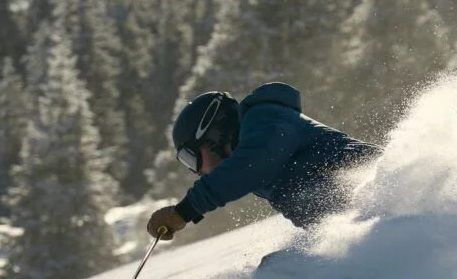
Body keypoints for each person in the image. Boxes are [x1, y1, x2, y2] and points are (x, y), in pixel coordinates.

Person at [145, 81, 381, 242]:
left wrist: (185, 210)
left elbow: (247, 167)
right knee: (278, 272)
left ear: (212, 135)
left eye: (191, 158)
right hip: (368, 220)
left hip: (383, 190)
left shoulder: (266, 119)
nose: (196, 172)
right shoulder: (261, 178)